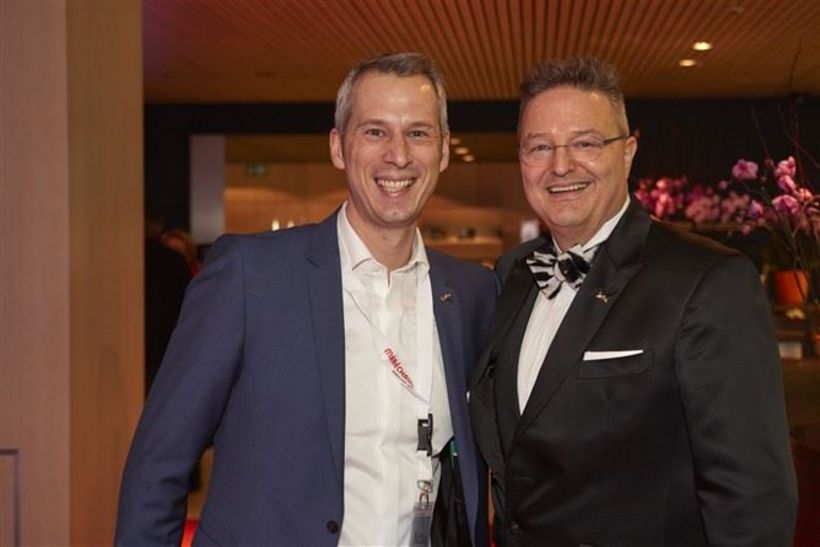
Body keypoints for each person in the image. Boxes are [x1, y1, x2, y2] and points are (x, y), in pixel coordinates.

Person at [116, 53, 496, 547]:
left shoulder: (471, 295)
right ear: (338, 146)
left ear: (443, 150)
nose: (398, 155)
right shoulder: (250, 277)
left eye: (418, 133)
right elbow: (159, 465)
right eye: (375, 132)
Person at [469, 57, 797, 547]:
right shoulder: (512, 273)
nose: (561, 165)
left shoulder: (707, 280)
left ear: (627, 153)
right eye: (540, 147)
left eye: (585, 143)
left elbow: (752, 498)